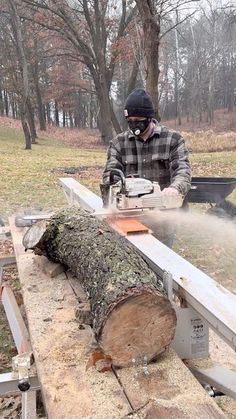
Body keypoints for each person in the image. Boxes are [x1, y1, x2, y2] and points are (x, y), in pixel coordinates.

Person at [102, 88, 191, 247]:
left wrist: (175, 189)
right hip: (128, 221)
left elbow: (182, 171)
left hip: (162, 223)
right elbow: (110, 174)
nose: (134, 124)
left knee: (161, 264)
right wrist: (114, 191)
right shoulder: (118, 144)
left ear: (150, 118)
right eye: (130, 120)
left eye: (139, 120)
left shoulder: (172, 140)